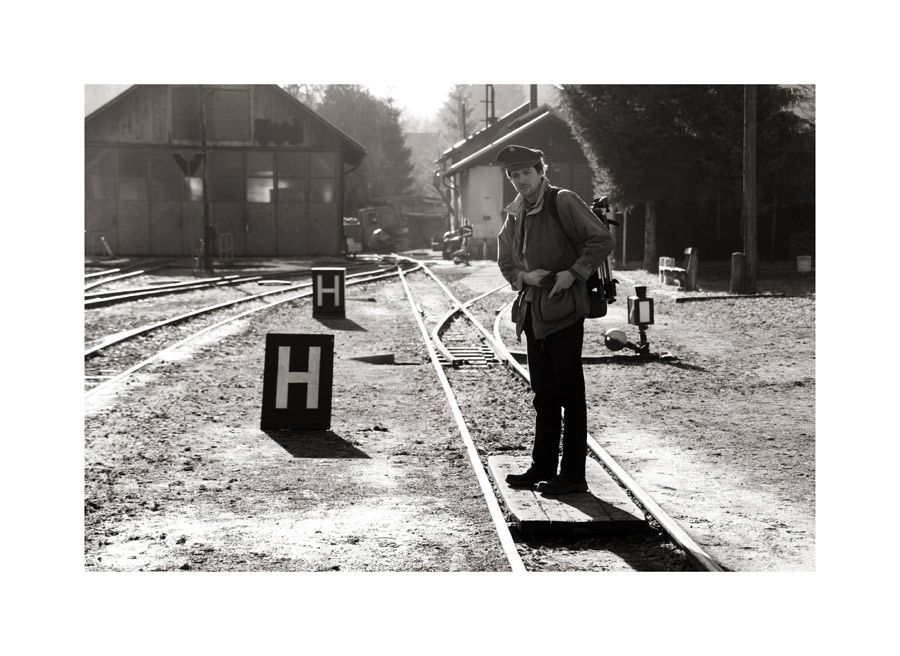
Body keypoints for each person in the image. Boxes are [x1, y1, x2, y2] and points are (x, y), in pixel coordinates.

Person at [496, 145, 614, 494]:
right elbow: (505, 260)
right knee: (544, 394)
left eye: (526, 173)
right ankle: (542, 466)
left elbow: (601, 240)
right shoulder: (515, 212)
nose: (521, 181)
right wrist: (524, 278)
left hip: (563, 310)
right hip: (533, 312)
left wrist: (574, 272)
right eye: (514, 176)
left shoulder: (562, 200)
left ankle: (573, 475)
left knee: (570, 394)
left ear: (540, 171)